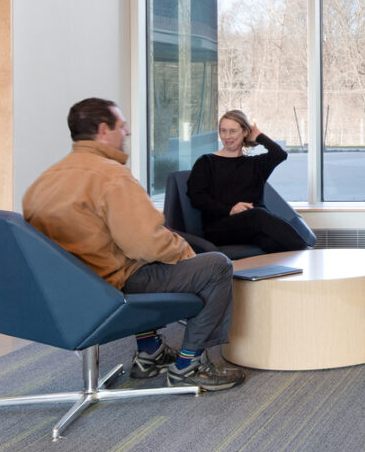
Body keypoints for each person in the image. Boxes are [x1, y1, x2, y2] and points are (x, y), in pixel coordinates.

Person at [22, 97, 246, 391]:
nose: (126, 133)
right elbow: (148, 244)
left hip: (69, 292)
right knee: (216, 265)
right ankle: (188, 364)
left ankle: (150, 351)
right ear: (104, 130)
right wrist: (186, 254)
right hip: (111, 289)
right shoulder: (111, 176)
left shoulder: (43, 181)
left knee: (141, 259)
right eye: (122, 126)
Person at [186, 110, 308, 254]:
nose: (226, 136)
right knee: (258, 215)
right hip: (219, 228)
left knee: (271, 242)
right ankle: (307, 252)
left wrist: (258, 136)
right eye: (223, 131)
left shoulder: (255, 164)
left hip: (253, 226)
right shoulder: (206, 162)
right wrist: (230, 209)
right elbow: (197, 197)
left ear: (245, 132)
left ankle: (287, 272)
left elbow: (279, 154)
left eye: (232, 131)